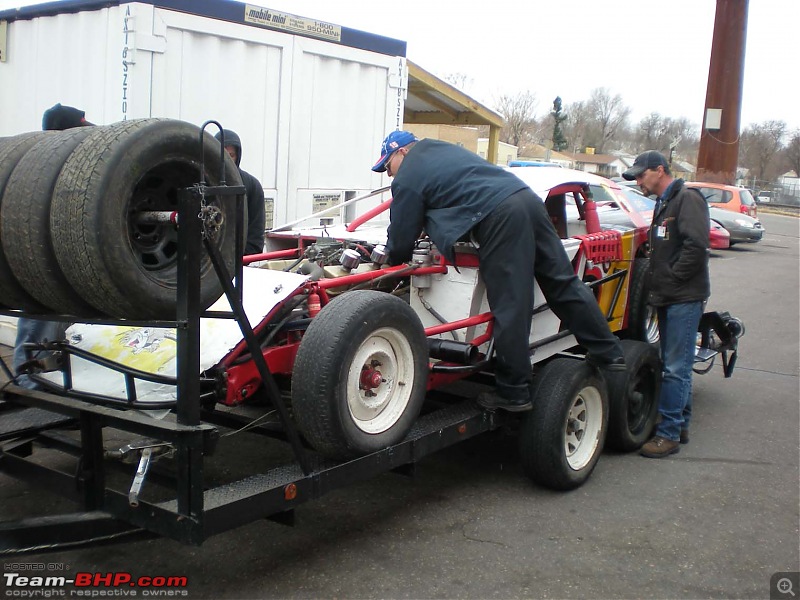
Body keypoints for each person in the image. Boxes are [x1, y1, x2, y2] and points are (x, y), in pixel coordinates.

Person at [371, 131, 626, 412]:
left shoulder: (409, 174)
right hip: (527, 201)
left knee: (510, 303)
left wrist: (389, 260)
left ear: (402, 153)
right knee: (562, 283)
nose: (389, 175)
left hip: (500, 216)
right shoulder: (441, 150)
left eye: (387, 166)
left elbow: (402, 235)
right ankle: (609, 352)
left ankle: (514, 393)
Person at [623, 151, 710, 458]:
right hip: (667, 296)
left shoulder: (688, 199)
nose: (637, 181)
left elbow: (697, 247)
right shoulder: (664, 202)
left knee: (675, 368)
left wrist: (671, 279)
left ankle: (669, 434)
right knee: (675, 365)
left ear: (659, 171)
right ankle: (680, 424)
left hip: (683, 298)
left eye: (641, 175)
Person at [12, 103, 93, 389]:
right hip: (40, 269)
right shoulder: (38, 168)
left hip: (65, 271)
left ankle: (54, 390)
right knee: (39, 329)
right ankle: (29, 389)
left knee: (63, 335)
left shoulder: (68, 166)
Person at [214, 129, 266, 256]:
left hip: (241, 263)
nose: (226, 160)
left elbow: (256, 236)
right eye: (223, 155)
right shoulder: (200, 184)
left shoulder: (252, 186)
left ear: (238, 156)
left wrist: (237, 260)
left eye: (231, 155)